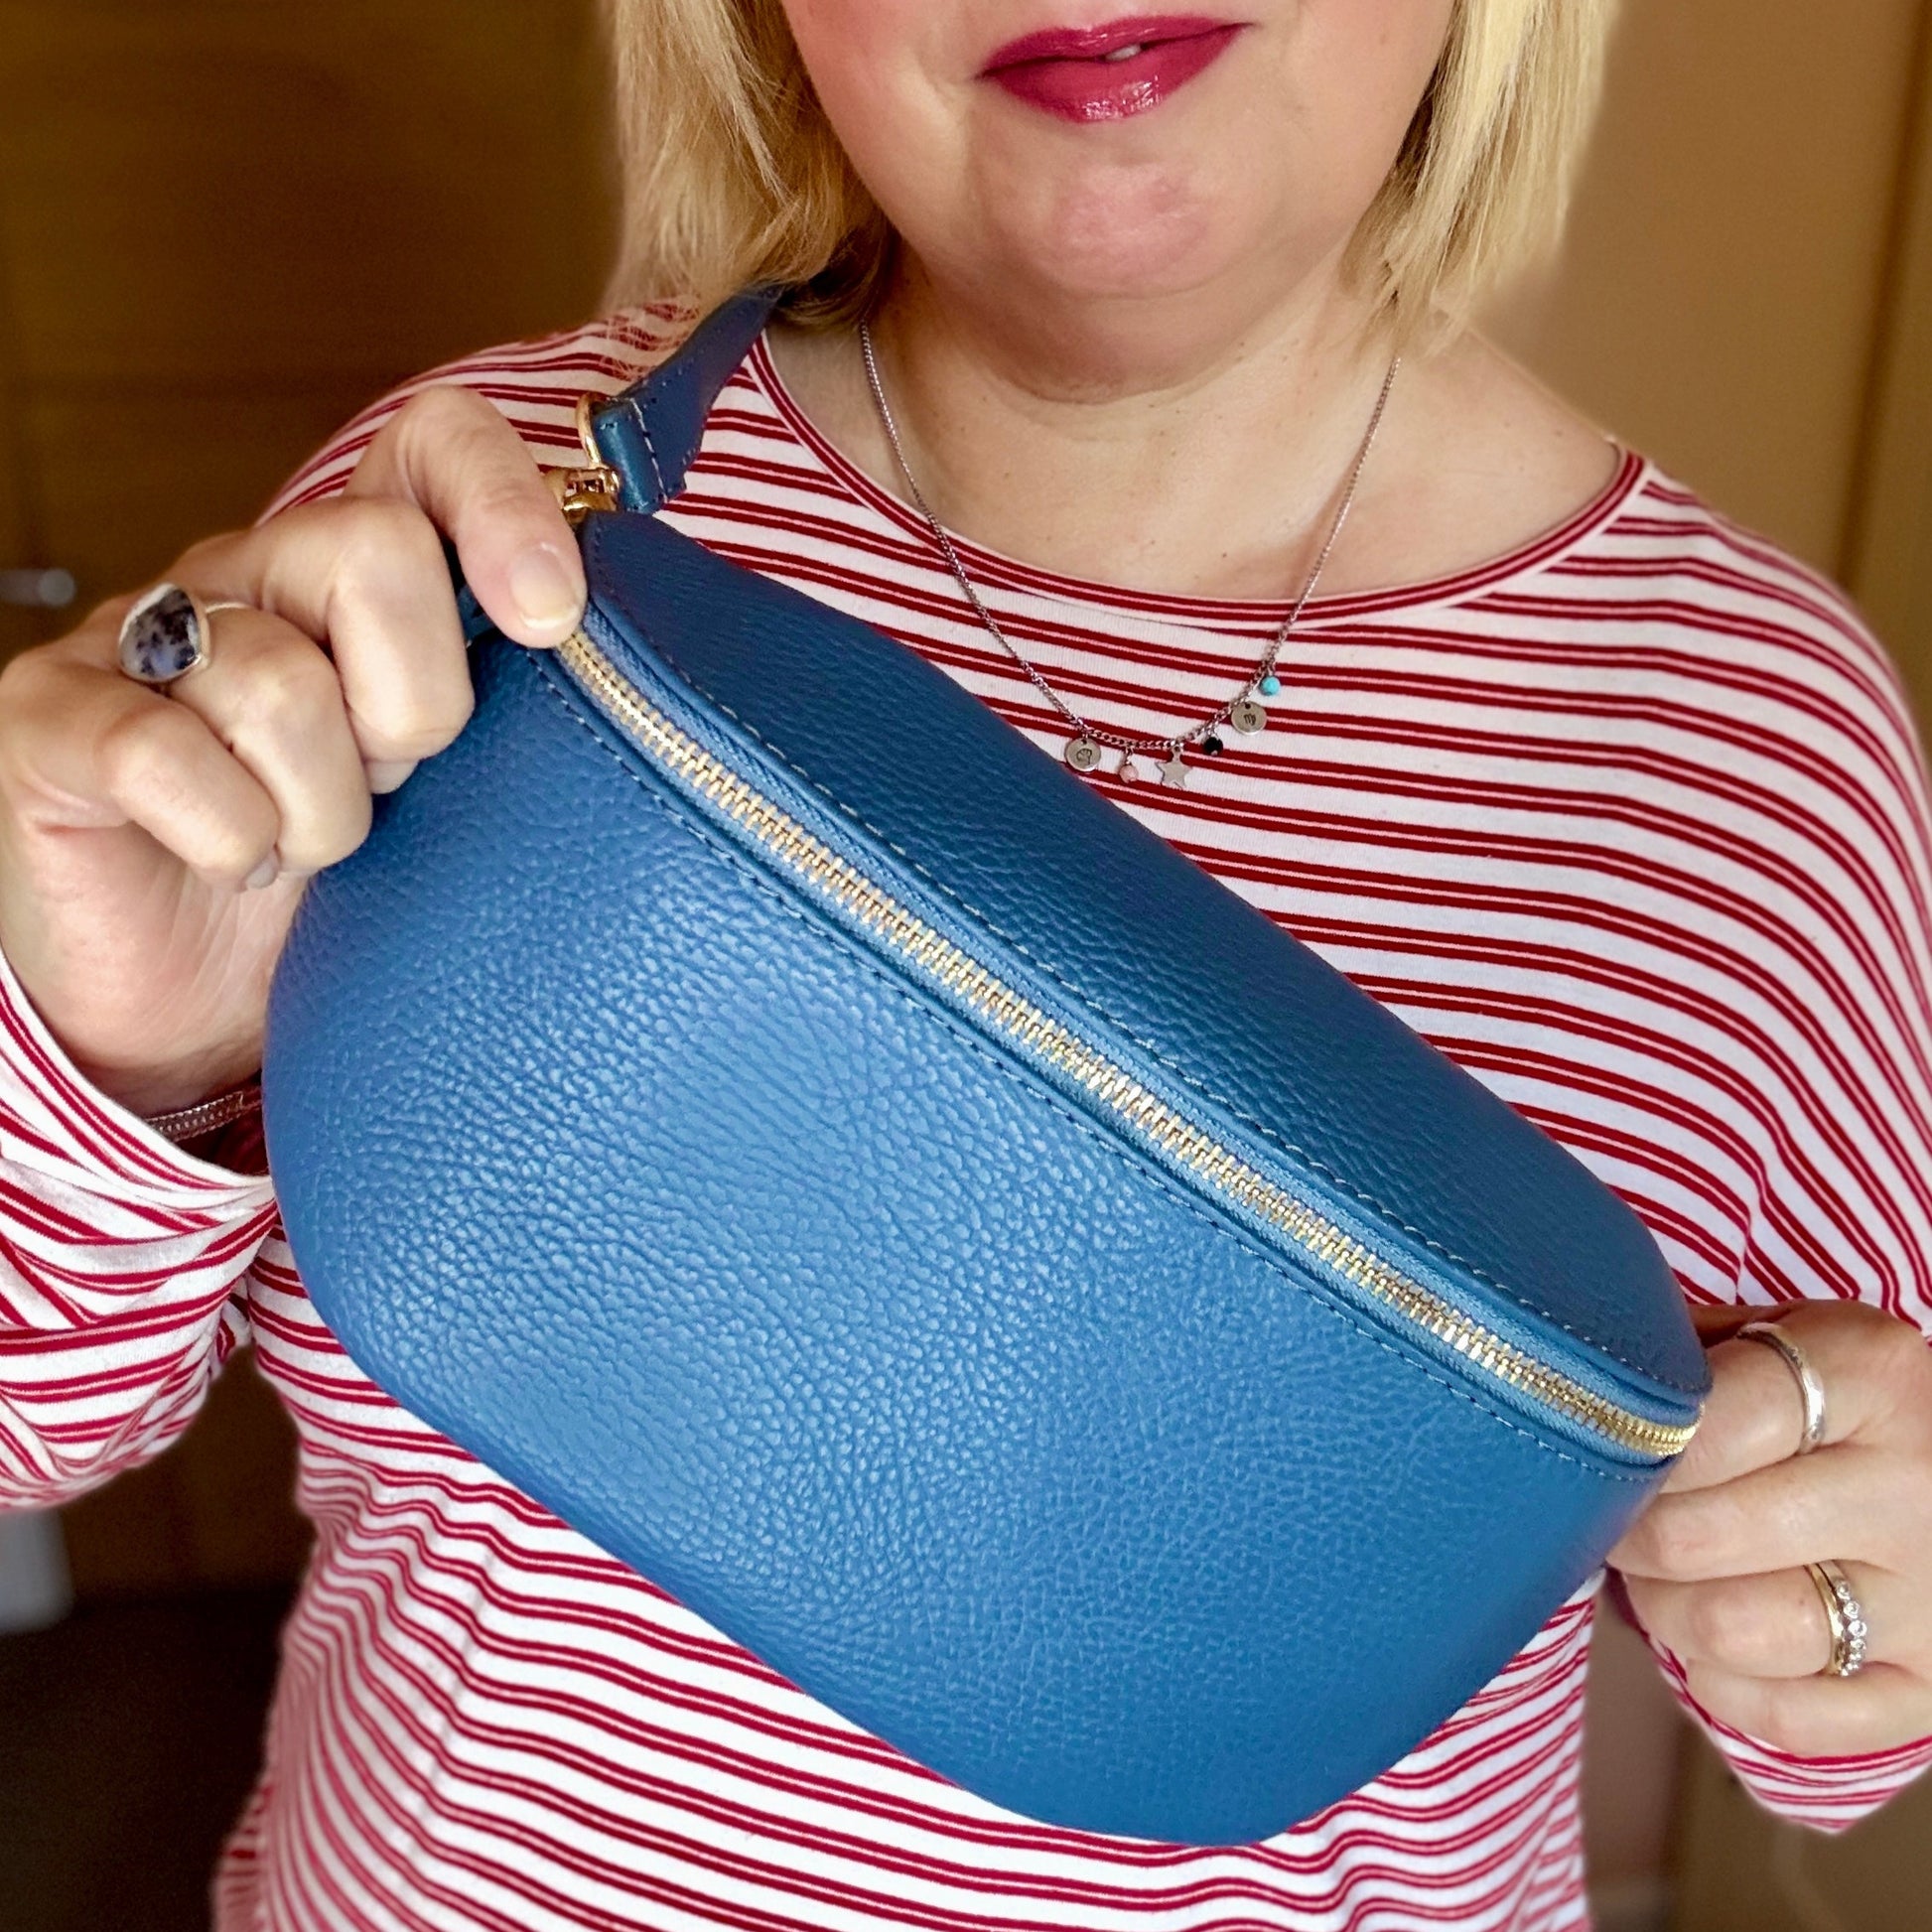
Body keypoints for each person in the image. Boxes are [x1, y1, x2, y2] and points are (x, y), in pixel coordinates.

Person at [2, 0, 1929, 1924]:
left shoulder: (1753, 740)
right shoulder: (482, 514)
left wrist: (1868, 1575)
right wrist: (120, 1052)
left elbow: (1834, 1732)